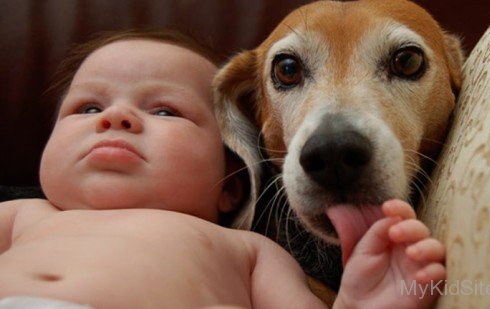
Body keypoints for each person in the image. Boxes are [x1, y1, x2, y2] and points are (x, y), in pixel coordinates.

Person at [0, 29, 445, 308]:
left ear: (233, 183)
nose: (115, 117)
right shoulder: (23, 217)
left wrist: (356, 301)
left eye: (165, 111)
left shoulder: (249, 252)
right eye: (87, 107)